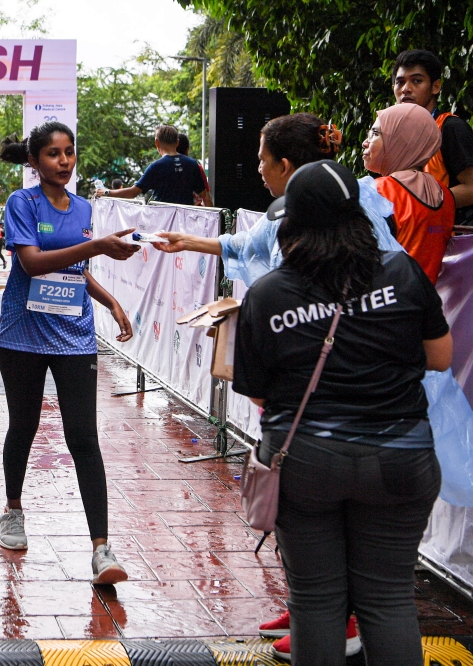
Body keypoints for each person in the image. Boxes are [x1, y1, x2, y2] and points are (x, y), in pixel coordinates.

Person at [232, 159, 451, 665]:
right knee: (389, 598)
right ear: (357, 214)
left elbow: (260, 396)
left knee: (316, 603)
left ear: (292, 224)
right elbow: (440, 357)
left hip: (306, 463)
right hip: (401, 457)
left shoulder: (268, 295)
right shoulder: (402, 272)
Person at [0, 121, 139, 584]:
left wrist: (110, 300)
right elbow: (32, 262)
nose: (64, 161)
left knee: (83, 437)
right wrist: (96, 244)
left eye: (70, 153)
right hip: (22, 334)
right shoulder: (22, 203)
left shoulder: (82, 209)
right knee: (26, 424)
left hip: (73, 335)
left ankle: (102, 549)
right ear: (35, 162)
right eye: (54, 154)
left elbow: (76, 266)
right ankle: (13, 509)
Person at [152, 113, 401, 289]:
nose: (259, 168)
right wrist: (185, 240)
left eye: (262, 159)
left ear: (284, 166)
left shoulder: (277, 291)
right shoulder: (362, 198)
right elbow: (247, 242)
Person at [363, 103, 454, 284]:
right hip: (428, 305)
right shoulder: (445, 195)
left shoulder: (378, 191)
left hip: (388, 306)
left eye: (375, 133)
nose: (366, 141)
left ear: (401, 139)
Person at [393, 49, 473, 226]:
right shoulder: (396, 138)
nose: (406, 89)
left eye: (417, 81)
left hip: (457, 242)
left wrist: (425, 203)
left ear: (435, 87)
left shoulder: (450, 128)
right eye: (400, 83)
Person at [99, 125, 214, 206]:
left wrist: (107, 192)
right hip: (187, 224)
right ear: (177, 142)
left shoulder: (156, 167)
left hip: (163, 223)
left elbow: (132, 193)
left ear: (157, 143)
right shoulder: (192, 164)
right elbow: (206, 198)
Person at [178, 132, 210, 205]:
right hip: (193, 213)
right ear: (187, 150)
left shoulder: (164, 169)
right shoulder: (196, 167)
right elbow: (207, 198)